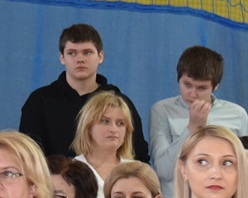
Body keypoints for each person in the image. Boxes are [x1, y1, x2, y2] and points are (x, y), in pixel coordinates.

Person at [17, 24, 150, 162]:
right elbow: (29, 157)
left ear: (100, 56)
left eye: (87, 52)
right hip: (54, 176)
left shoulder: (120, 103)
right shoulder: (40, 101)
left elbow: (139, 156)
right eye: (72, 53)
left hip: (112, 176)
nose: (80, 59)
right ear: (62, 58)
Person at [147, 47, 248, 185]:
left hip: (224, 196)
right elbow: (164, 170)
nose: (192, 94)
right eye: (187, 85)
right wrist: (192, 128)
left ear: (215, 86)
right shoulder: (162, 110)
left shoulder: (237, 114)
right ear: (178, 79)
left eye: (201, 88)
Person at [71, 91, 137, 198]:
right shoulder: (70, 171)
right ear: (88, 127)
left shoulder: (137, 171)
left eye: (120, 123)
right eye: (105, 121)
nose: (114, 129)